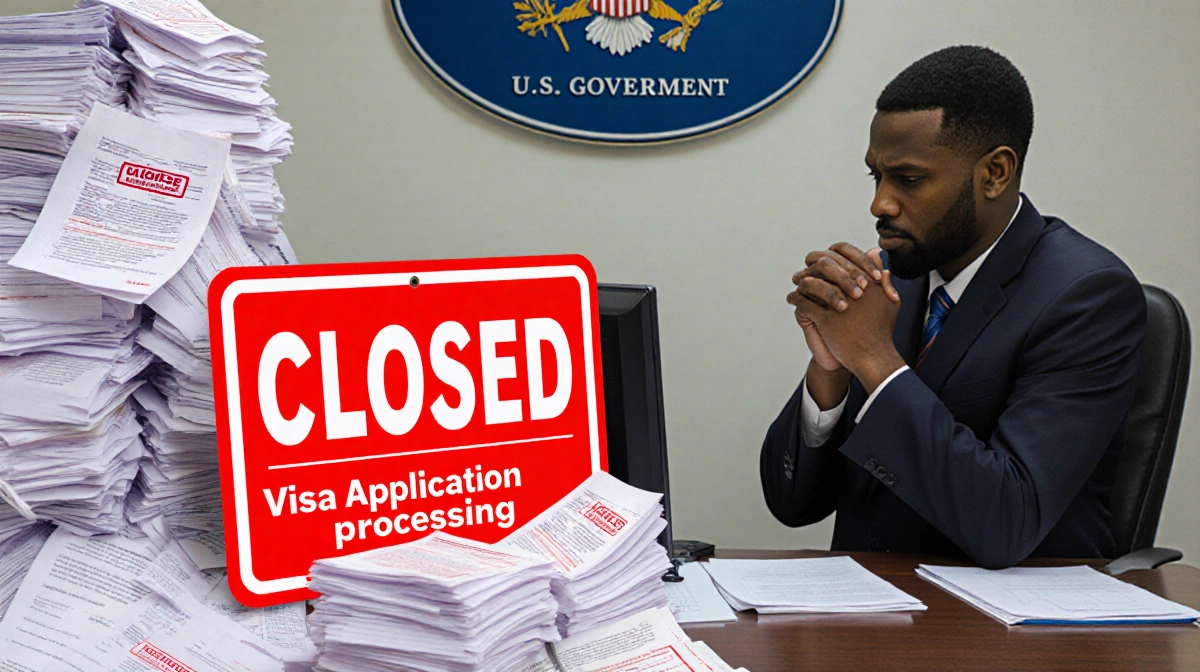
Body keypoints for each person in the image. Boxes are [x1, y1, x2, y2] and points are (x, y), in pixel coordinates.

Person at [760, 46, 1146, 569]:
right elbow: (793, 505)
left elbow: (1006, 522)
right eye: (877, 177)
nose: (880, 204)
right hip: (869, 614)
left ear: (995, 173)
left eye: (909, 179)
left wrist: (874, 360)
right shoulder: (899, 275)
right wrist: (829, 371)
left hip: (1012, 636)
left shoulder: (1087, 295)